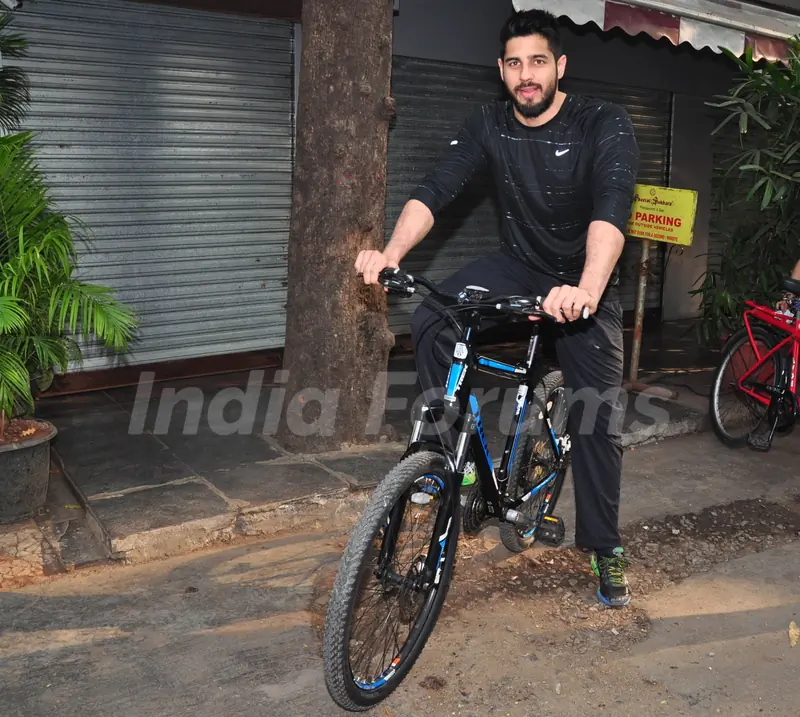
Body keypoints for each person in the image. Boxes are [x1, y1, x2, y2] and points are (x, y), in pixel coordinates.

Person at [355, 9, 639, 608]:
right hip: (520, 265)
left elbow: (611, 210)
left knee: (593, 416)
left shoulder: (602, 123)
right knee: (433, 315)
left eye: (539, 62)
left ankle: (606, 547)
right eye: (515, 63)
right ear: (502, 71)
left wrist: (586, 290)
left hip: (584, 280)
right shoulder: (489, 122)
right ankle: (446, 454)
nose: (526, 75)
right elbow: (437, 186)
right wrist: (390, 253)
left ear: (560, 67)